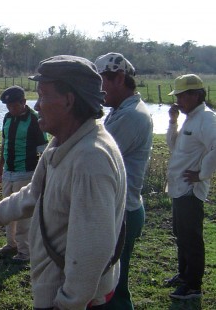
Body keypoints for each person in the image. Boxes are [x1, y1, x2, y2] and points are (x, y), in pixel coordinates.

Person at [0, 55, 126, 309]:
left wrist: (68, 303)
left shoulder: (91, 159)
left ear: (69, 100)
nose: (37, 105)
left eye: (43, 96)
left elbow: (93, 250)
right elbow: (33, 194)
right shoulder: (61, 144)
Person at [94, 52, 153, 309]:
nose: (99, 90)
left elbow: (97, 155)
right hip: (123, 207)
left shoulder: (131, 117)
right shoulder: (120, 111)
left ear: (119, 78)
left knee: (113, 291)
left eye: (101, 82)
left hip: (123, 211)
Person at [164, 73, 216, 300]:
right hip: (179, 187)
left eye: (181, 96)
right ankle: (184, 275)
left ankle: (193, 286)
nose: (177, 101)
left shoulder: (206, 119)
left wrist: (203, 175)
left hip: (190, 190)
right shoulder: (191, 117)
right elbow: (173, 145)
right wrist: (173, 121)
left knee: (191, 237)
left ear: (195, 95)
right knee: (181, 233)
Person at [0, 85, 48, 262]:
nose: (11, 109)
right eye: (8, 106)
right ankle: (11, 244)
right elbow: (5, 143)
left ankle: (25, 251)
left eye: (14, 105)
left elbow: (43, 150)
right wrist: (0, 167)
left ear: (24, 102)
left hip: (26, 172)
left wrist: (41, 175)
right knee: (7, 210)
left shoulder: (34, 119)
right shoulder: (7, 118)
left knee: (24, 213)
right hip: (9, 172)